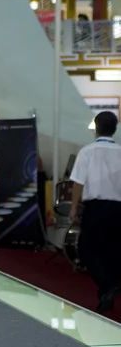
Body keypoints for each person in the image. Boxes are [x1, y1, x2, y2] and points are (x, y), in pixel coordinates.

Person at [70, 111, 121, 313]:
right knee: (112, 251)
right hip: (118, 208)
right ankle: (106, 293)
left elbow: (78, 183)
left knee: (86, 248)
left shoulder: (87, 152)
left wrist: (73, 207)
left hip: (96, 208)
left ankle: (108, 286)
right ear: (114, 129)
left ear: (96, 128)